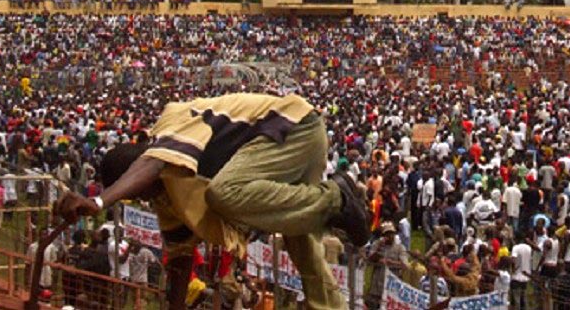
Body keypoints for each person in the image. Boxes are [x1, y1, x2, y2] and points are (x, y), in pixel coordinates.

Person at [55, 93, 369, 310]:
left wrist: (98, 202)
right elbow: (180, 261)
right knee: (302, 247)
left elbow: (151, 164)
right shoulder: (170, 195)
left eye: (138, 192)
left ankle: (335, 197)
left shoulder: (169, 127)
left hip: (293, 128)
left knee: (222, 194)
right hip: (288, 146)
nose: (145, 199)